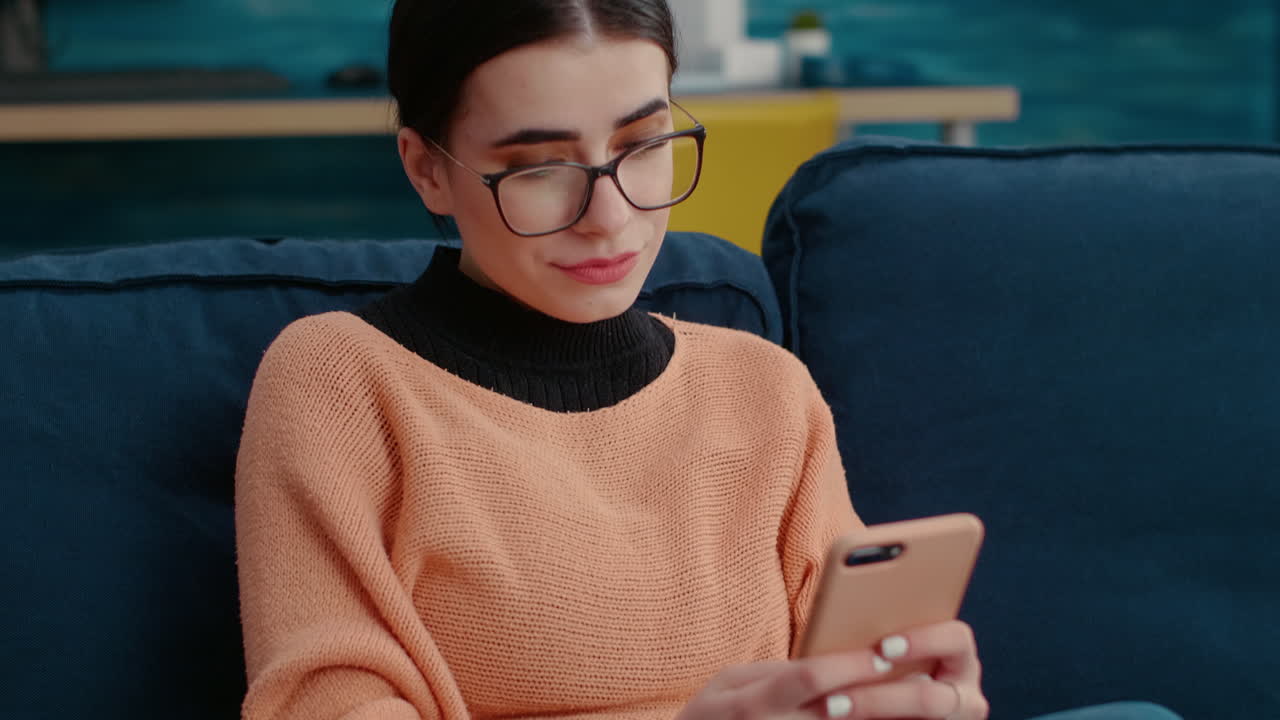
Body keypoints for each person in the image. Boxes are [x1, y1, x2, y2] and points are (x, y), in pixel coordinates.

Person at [233, 2, 1182, 719]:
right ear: (425, 166)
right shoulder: (342, 382)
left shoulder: (762, 390)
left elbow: (836, 676)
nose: (611, 215)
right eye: (538, 166)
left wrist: (911, 690)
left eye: (644, 146)